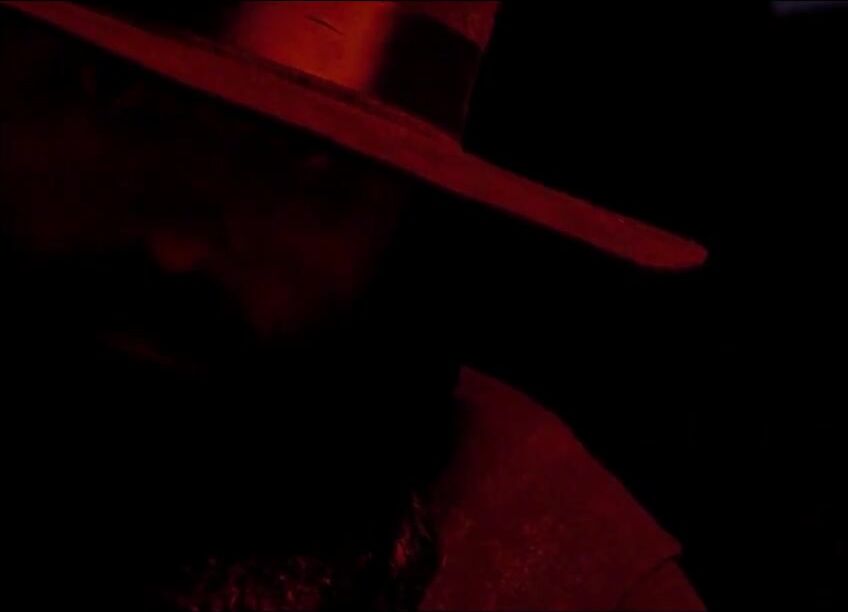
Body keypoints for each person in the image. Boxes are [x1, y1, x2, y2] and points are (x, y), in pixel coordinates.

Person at [1, 2, 706, 610]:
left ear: (403, 223)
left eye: (301, 164)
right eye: (119, 99)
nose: (175, 248)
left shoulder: (560, 575)